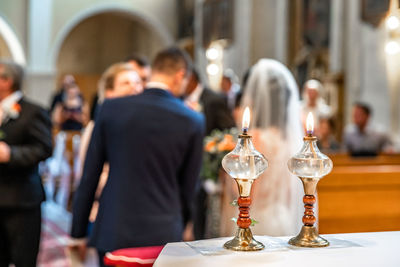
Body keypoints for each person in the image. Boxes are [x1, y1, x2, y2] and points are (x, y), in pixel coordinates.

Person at [71, 47, 204, 267]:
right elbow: (189, 187)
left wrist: (78, 232)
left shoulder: (111, 109)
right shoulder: (192, 119)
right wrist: (183, 224)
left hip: (114, 227)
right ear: (180, 75)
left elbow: (90, 176)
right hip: (164, 232)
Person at [220, 59, 304, 237]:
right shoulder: (291, 139)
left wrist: (225, 174)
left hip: (255, 221)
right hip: (283, 218)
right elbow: (292, 190)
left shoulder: (254, 138)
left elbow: (241, 192)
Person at [75, 62, 143, 222]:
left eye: (138, 82)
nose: (134, 87)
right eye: (126, 83)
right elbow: (88, 176)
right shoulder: (95, 127)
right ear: (109, 93)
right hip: (109, 207)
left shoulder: (145, 126)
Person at [0, 60, 52, 266]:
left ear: (8, 81)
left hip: (20, 199)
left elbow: (44, 149)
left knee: (23, 259)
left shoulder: (33, 111)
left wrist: (11, 154)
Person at [183, 68, 235, 239]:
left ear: (191, 79)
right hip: (183, 163)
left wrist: (213, 151)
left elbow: (229, 131)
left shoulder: (214, 99)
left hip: (206, 166)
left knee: (201, 211)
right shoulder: (179, 99)